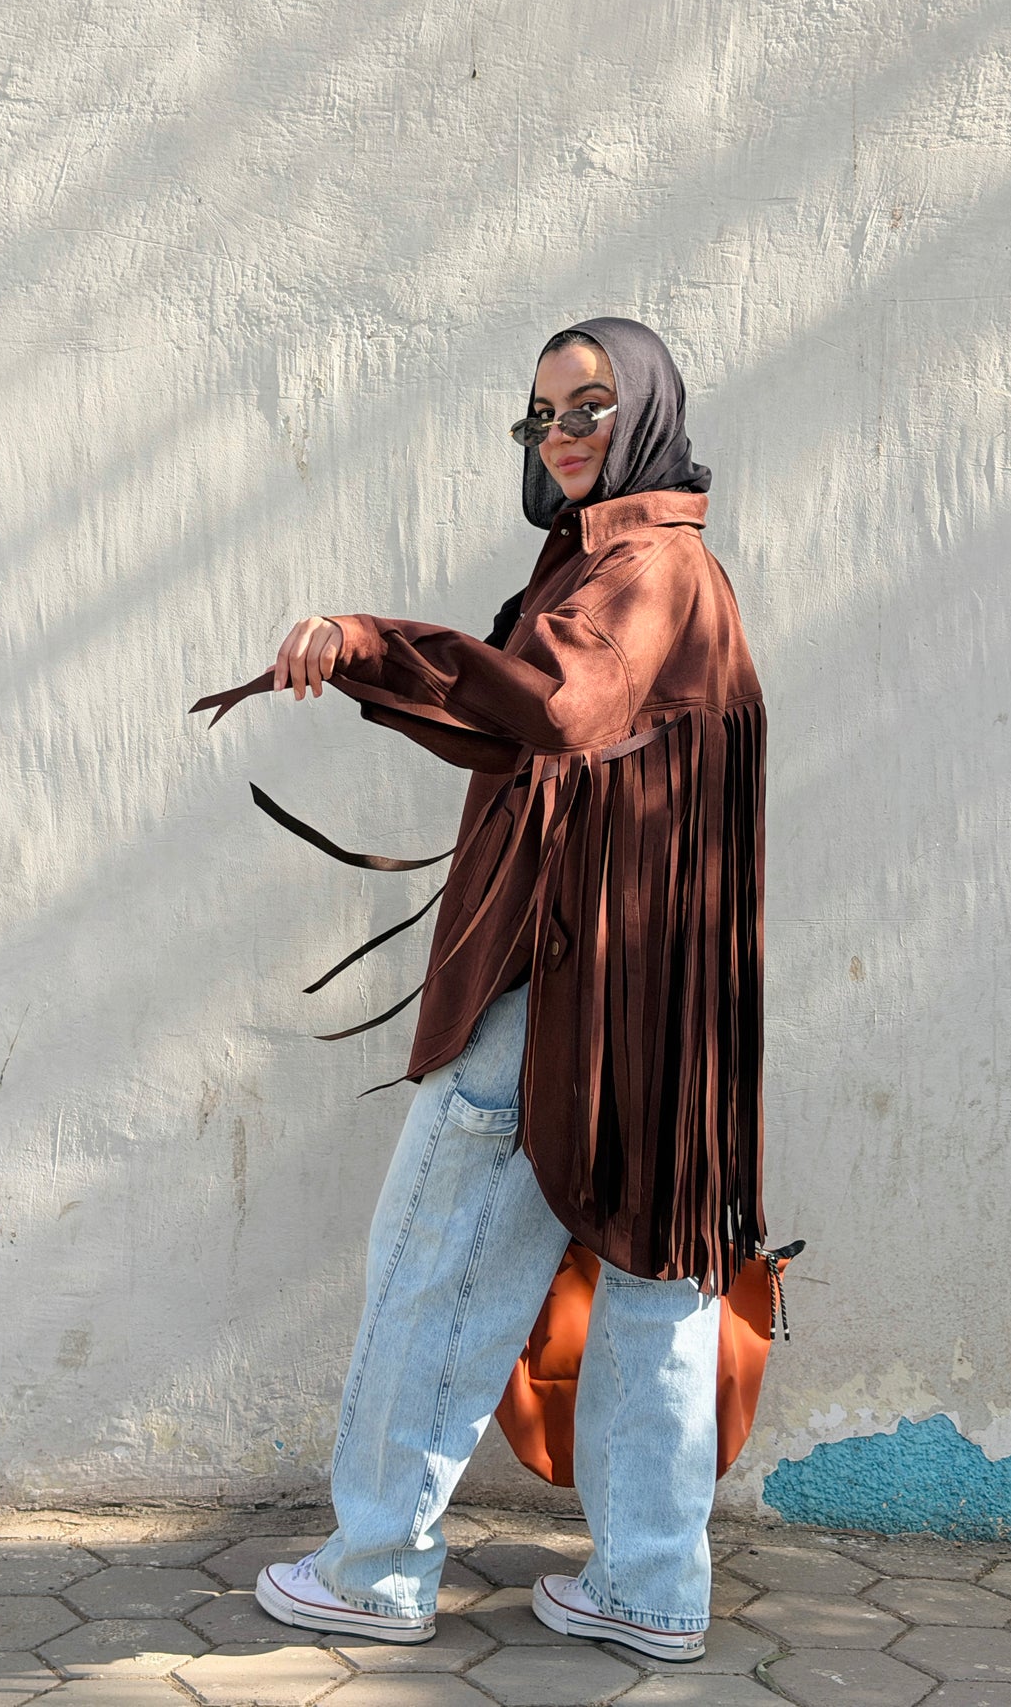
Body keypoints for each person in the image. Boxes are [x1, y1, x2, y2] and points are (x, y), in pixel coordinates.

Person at [191, 317, 768, 1663]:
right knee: (656, 1269)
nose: (561, 435)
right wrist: (379, 669)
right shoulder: (665, 568)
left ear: (645, 414)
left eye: (588, 407)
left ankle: (376, 1569)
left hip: (560, 989)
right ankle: (649, 1589)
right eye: (541, 416)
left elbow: (554, 709)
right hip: (661, 1007)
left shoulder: (638, 566)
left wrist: (368, 641)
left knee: (434, 1263)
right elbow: (539, 727)